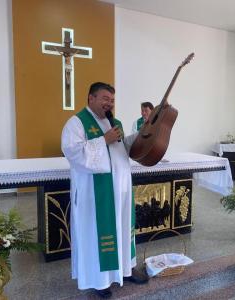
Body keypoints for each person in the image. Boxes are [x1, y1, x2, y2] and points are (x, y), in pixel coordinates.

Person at [61, 82, 148, 299]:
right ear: (91, 98)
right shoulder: (77, 123)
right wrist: (103, 141)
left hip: (121, 191)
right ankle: (100, 281)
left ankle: (125, 269)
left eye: (112, 100)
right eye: (105, 98)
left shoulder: (114, 122)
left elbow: (124, 148)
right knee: (97, 234)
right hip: (96, 194)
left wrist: (141, 133)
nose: (109, 103)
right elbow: (73, 152)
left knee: (122, 228)